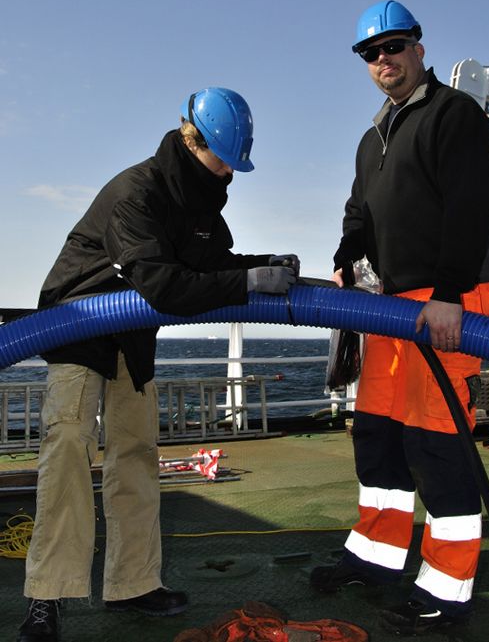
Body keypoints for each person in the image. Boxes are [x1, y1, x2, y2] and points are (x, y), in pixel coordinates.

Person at [17, 87, 300, 642]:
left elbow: (214, 265)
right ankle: (46, 597)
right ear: (198, 146)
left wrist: (266, 265)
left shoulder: (201, 205)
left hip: (132, 337)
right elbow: (163, 284)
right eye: (226, 161)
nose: (232, 174)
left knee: (136, 453)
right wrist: (244, 282)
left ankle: (133, 583)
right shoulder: (136, 194)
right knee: (68, 448)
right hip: (77, 330)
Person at [310, 1, 489, 634]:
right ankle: (376, 555)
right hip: (389, 310)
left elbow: (472, 206)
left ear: (418, 47)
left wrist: (449, 293)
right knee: (379, 434)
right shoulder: (373, 138)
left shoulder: (456, 115)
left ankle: (449, 588)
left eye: (393, 47)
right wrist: (345, 260)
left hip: (449, 302)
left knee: (436, 441)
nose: (383, 61)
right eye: (371, 54)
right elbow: (357, 215)